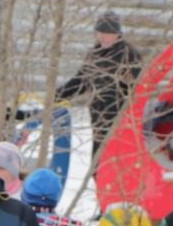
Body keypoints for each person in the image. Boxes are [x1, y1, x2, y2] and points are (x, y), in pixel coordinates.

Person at [55, 14, 143, 153]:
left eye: (108, 34)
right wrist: (57, 95)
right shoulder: (95, 54)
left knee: (114, 159)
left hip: (119, 118)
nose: (104, 37)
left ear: (117, 34)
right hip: (98, 116)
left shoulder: (128, 54)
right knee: (97, 162)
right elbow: (81, 81)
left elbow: (138, 86)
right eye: (101, 33)